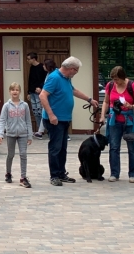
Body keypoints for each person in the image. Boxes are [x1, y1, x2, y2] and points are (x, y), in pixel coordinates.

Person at [39, 56, 95, 186]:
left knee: (62, 148)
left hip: (65, 119)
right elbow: (42, 95)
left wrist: (89, 99)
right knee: (55, 148)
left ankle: (61, 173)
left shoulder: (66, 78)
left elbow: (73, 90)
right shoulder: (54, 77)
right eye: (76, 70)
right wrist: (51, 115)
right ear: (70, 68)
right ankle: (54, 176)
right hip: (55, 120)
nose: (76, 73)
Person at [99, 66, 134, 182]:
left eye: (117, 79)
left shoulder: (132, 86)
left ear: (123, 77)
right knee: (114, 147)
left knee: (132, 147)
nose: (115, 82)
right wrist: (102, 115)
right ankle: (114, 173)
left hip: (129, 120)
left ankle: (133, 174)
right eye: (113, 79)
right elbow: (106, 101)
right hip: (115, 120)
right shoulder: (110, 85)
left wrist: (131, 106)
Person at [0, 82, 32, 187]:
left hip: (23, 134)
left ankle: (23, 177)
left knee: (23, 154)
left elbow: (28, 121)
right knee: (10, 154)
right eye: (13, 90)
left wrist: (30, 135)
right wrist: (0, 134)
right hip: (11, 134)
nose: (15, 92)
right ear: (10, 91)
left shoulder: (25, 105)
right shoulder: (6, 106)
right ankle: (8, 173)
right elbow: (2, 120)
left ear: (20, 92)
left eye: (17, 90)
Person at [27, 53, 48, 138]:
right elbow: (30, 80)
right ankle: (40, 130)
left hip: (39, 92)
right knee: (35, 111)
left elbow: (45, 79)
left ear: (34, 59)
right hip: (32, 92)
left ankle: (43, 130)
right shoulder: (31, 67)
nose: (27, 61)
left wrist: (41, 88)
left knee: (40, 111)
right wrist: (28, 92)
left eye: (29, 59)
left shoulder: (42, 67)